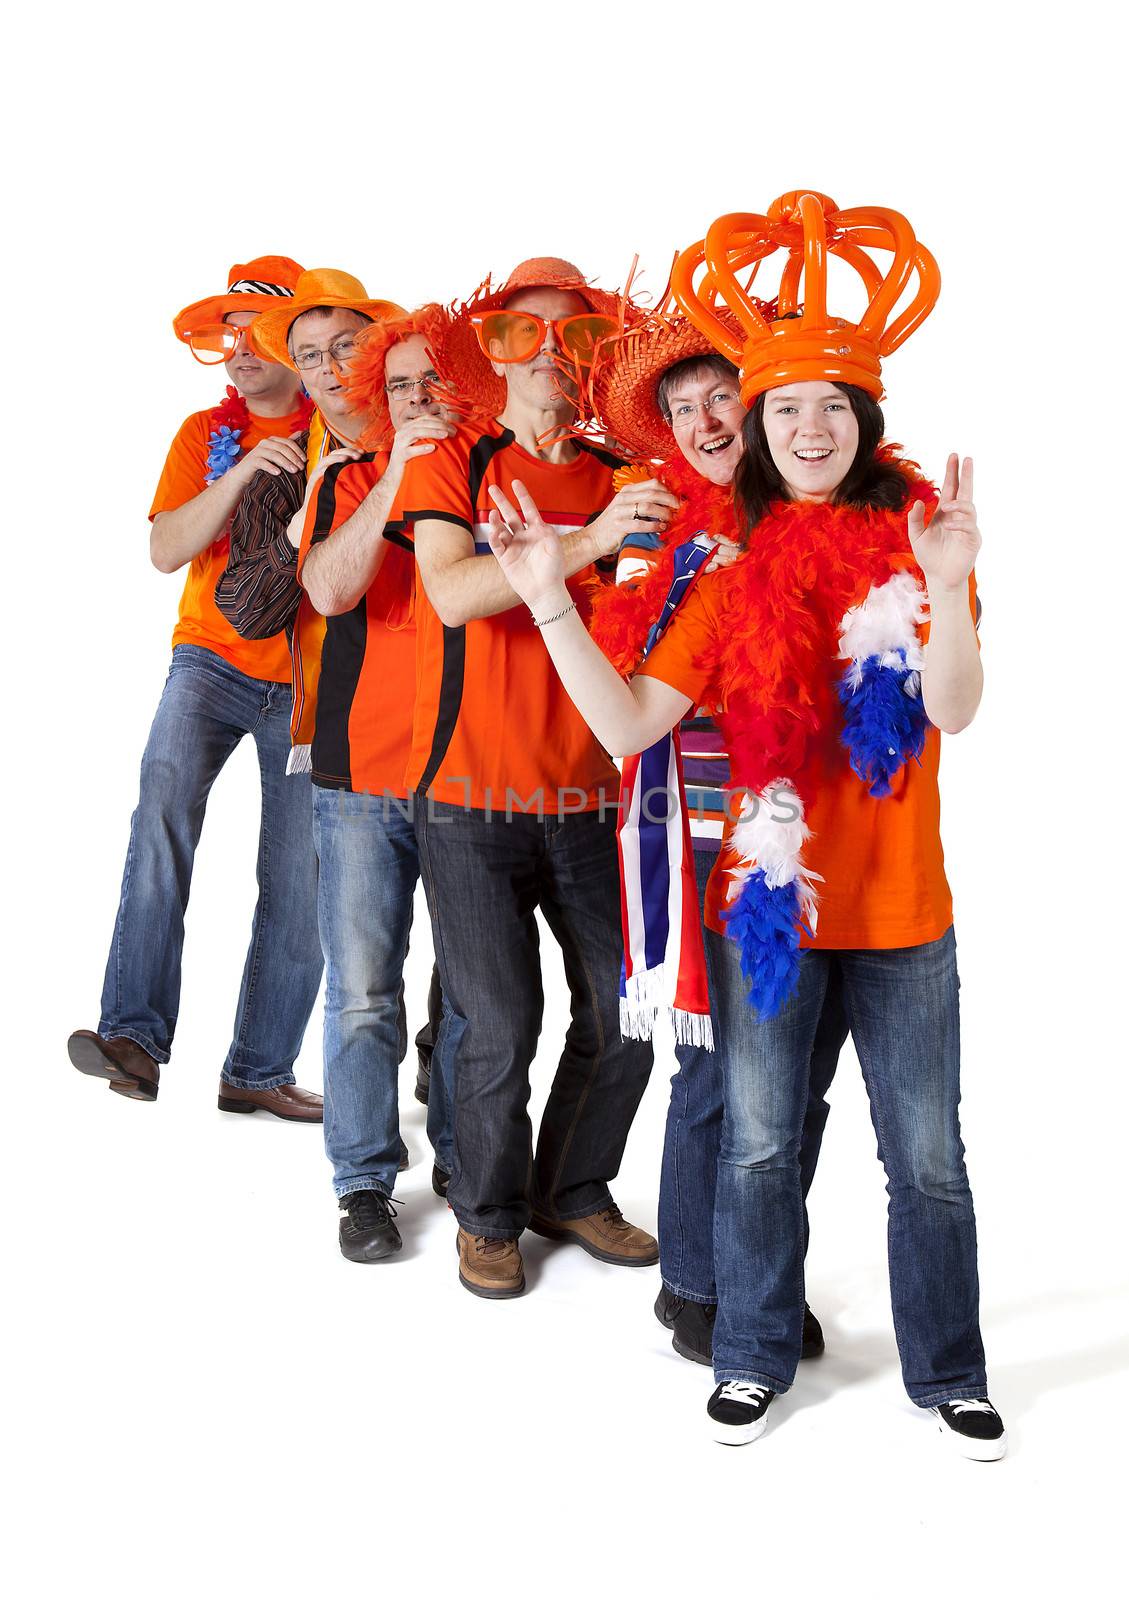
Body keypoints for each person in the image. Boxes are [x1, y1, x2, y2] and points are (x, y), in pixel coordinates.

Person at [484, 193, 1006, 1460]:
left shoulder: (916, 546)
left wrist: (944, 590)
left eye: (830, 405)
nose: (807, 426)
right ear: (763, 438)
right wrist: (552, 601)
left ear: (862, 423)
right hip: (768, 909)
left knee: (926, 1160)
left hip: (900, 915)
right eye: (785, 410)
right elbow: (630, 729)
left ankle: (947, 1372)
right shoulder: (725, 580)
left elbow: (956, 709)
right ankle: (753, 1351)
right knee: (762, 1149)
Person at [397, 258, 678, 1299]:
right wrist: (592, 541)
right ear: (497, 350)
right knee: (499, 1022)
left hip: (594, 800)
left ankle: (571, 1184)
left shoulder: (619, 471)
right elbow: (456, 591)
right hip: (468, 798)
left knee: (627, 1012)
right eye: (530, 333)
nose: (554, 356)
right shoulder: (453, 464)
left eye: (580, 337)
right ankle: (487, 1211)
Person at [591, 308, 848, 1365]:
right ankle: (694, 1284)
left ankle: (760, 1274)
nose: (701, 420)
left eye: (719, 399)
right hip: (697, 822)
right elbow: (623, 679)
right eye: (680, 407)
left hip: (813, 823)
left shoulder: (821, 508)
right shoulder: (655, 524)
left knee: (802, 1074)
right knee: (715, 1070)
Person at [68, 257, 326, 1121]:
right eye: (226, 331)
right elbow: (164, 549)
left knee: (301, 878)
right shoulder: (202, 434)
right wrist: (245, 469)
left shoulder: (335, 427)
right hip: (207, 662)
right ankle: (132, 1040)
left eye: (253, 330)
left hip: (308, 683)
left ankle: (257, 1069)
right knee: (160, 819)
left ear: (292, 340)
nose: (235, 347)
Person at [292, 304, 461, 1260]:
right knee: (361, 989)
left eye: (434, 382)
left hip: (470, 768)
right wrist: (399, 463)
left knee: (478, 986)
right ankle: (361, 1180)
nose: (419, 399)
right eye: (399, 386)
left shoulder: (490, 474)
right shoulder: (347, 477)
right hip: (358, 774)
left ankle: (463, 1154)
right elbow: (328, 589)